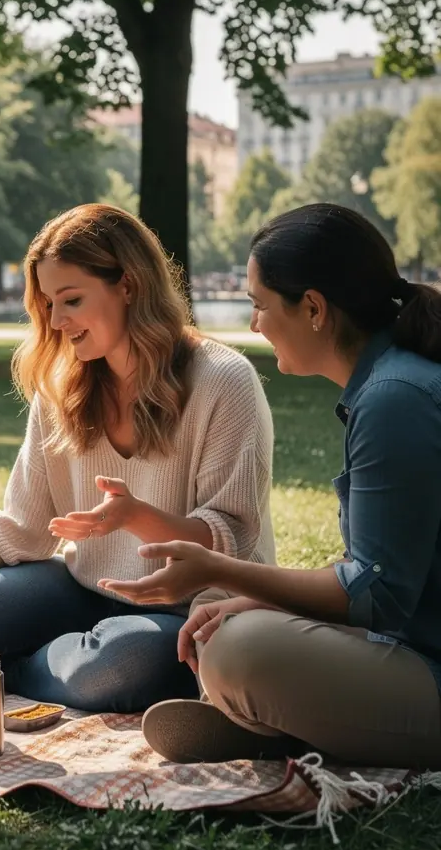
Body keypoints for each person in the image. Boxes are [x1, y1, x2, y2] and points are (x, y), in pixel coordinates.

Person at [0, 204, 275, 712]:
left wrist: (136, 517)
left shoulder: (221, 381)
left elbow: (232, 539)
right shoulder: (61, 387)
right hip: (76, 591)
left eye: (71, 299)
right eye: (48, 305)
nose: (56, 322)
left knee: (115, 666)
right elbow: (21, 529)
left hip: (183, 609)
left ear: (129, 284)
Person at [106, 204, 441, 768]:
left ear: (313, 308)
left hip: (425, 661)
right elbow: (378, 569)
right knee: (230, 625)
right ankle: (288, 722)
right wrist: (247, 597)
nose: (254, 324)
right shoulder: (392, 386)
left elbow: (375, 597)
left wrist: (217, 571)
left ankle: (280, 728)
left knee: (239, 651)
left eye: (259, 304)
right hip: (412, 644)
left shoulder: (395, 399)